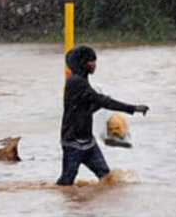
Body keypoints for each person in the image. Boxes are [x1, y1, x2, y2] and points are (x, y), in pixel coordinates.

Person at [58, 45, 149, 186]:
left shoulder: (83, 81)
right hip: (73, 143)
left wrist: (98, 103)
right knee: (66, 184)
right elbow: (101, 100)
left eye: (94, 61)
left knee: (107, 178)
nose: (94, 65)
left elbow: (85, 110)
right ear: (82, 63)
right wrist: (132, 108)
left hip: (88, 143)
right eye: (91, 61)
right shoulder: (76, 82)